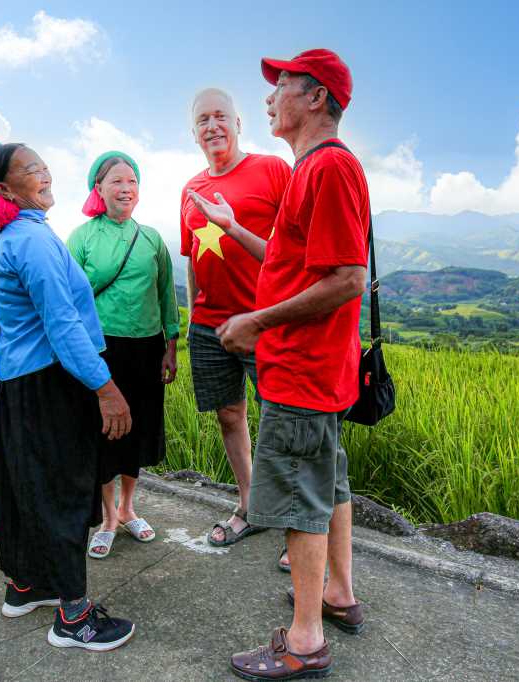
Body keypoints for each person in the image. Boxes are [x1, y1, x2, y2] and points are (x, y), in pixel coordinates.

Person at [188, 50, 369, 680]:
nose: (270, 99)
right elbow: (293, 262)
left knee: (296, 496)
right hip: (312, 368)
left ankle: (304, 641)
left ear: (315, 97)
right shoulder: (311, 169)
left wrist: (257, 322)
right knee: (327, 485)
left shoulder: (329, 169)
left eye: (281, 86)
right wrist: (233, 228)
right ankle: (338, 596)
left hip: (301, 366)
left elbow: (349, 279)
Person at [0, 140, 136, 651]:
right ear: (4, 189)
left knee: (27, 488)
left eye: (44, 165)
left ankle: (26, 586)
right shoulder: (34, 240)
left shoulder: (16, 235)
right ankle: (74, 618)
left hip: (22, 384)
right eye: (30, 170)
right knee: (62, 493)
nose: (44, 174)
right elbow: (62, 323)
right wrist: (106, 388)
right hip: (47, 383)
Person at [180, 90, 291, 550]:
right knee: (230, 415)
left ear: (239, 122)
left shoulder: (272, 170)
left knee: (282, 420)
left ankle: (297, 529)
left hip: (265, 321)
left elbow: (294, 251)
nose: (212, 126)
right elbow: (191, 261)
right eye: (202, 119)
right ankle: (249, 506)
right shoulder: (190, 188)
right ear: (194, 132)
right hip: (209, 326)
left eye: (220, 116)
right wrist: (190, 319)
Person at [67, 151, 180, 559]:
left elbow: (166, 292)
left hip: (147, 347)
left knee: (138, 429)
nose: (125, 188)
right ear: (98, 189)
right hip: (101, 349)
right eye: (116, 181)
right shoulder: (82, 237)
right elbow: (69, 298)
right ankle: (108, 515)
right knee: (104, 430)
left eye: (131, 181)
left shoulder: (151, 238)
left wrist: (171, 345)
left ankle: (129, 508)